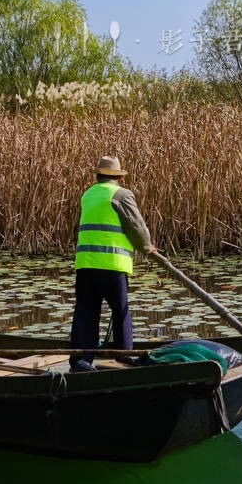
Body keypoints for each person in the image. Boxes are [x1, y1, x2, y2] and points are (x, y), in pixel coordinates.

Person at [69, 155, 153, 372]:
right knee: (120, 311)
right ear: (118, 177)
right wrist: (147, 247)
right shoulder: (122, 195)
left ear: (97, 175)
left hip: (86, 264)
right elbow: (137, 227)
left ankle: (80, 360)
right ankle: (124, 356)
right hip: (112, 265)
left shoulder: (88, 194)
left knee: (86, 313)